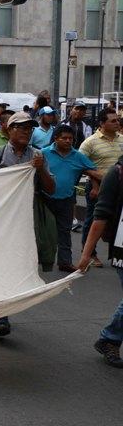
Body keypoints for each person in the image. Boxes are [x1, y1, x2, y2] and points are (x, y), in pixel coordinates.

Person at [0, 111, 56, 338]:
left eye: (29, 128)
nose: (26, 132)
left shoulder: (38, 155)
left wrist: (40, 169)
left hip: (25, 222)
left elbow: (51, 188)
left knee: (16, 266)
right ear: (9, 130)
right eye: (21, 127)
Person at [78, 156, 123, 368]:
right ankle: (110, 339)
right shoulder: (116, 174)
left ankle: (110, 338)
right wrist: (86, 254)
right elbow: (101, 215)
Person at [43, 124, 101, 272]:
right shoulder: (43, 153)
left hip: (66, 199)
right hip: (44, 199)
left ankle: (65, 262)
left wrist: (95, 187)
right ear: (56, 138)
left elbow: (93, 171)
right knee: (43, 232)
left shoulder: (78, 156)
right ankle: (38, 259)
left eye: (71, 138)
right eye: (64, 138)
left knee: (65, 231)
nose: (68, 141)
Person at [79, 109, 123, 268]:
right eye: (113, 121)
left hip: (119, 189)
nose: (117, 123)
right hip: (97, 187)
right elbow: (81, 164)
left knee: (118, 221)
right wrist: (95, 184)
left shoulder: (122, 139)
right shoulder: (90, 142)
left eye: (118, 120)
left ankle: (117, 253)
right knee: (94, 219)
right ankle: (89, 253)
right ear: (102, 123)